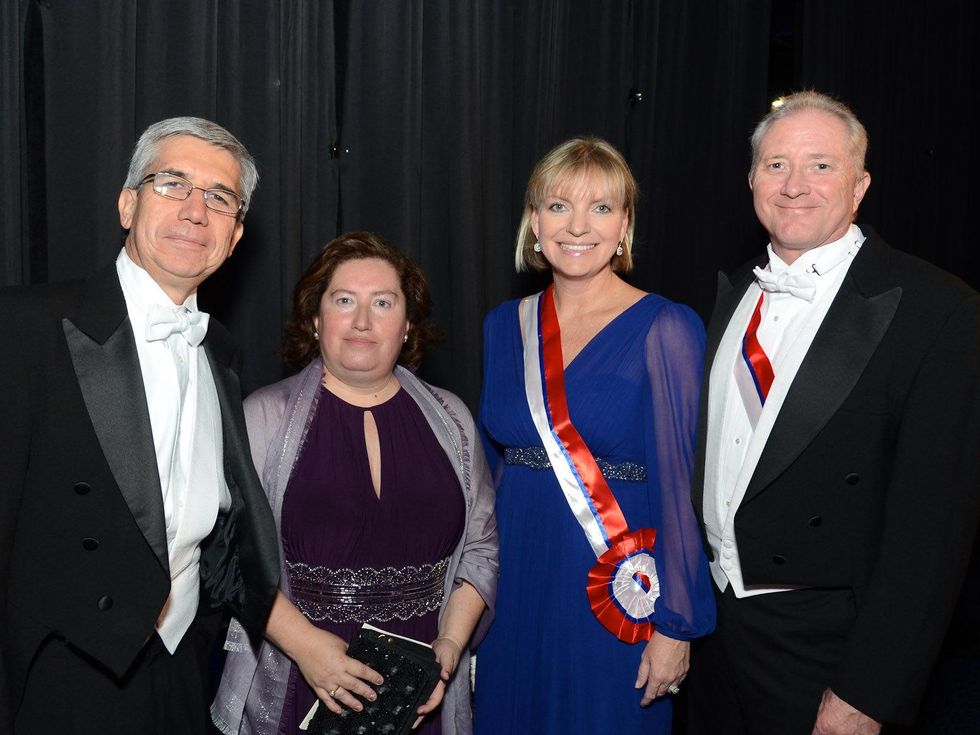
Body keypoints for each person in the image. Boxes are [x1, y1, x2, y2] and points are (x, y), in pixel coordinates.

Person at [685, 90, 980, 735]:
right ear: (752, 179)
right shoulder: (729, 296)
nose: (794, 185)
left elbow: (930, 535)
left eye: (820, 165)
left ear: (861, 184)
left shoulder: (937, 311)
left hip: (829, 653)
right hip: (713, 639)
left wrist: (868, 693)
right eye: (776, 165)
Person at [0, 117, 281, 734]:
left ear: (234, 236)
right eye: (172, 183)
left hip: (180, 670)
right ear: (128, 205)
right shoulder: (25, 327)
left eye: (219, 198)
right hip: (58, 678)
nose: (194, 210)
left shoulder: (222, 354)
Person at [473, 137, 715, 735]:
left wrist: (675, 624)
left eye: (601, 208)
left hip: (613, 584)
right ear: (534, 222)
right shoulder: (504, 325)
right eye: (559, 206)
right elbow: (485, 468)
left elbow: (683, 483)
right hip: (516, 581)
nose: (578, 225)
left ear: (625, 224)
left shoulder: (667, 326)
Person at [211, 231, 498, 735]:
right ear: (316, 319)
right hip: (306, 677)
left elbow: (481, 547)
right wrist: (306, 648)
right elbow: (231, 555)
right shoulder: (263, 418)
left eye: (383, 303)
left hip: (422, 689)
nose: (363, 321)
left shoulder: (452, 419)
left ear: (408, 325)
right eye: (344, 301)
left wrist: (449, 649)